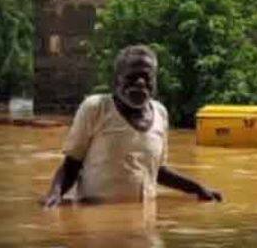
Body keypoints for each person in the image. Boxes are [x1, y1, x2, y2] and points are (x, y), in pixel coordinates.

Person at [42, 45, 222, 207]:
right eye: (132, 77)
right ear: (116, 80)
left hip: (144, 218)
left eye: (147, 77)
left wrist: (197, 188)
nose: (140, 83)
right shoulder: (96, 108)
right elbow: (72, 164)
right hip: (97, 221)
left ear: (155, 82)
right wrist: (54, 194)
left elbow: (157, 171)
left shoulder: (160, 113)